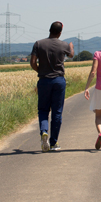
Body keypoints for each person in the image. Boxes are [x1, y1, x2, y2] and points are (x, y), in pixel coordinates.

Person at [30, 21, 73, 152]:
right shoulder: (64, 44)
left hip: (44, 81)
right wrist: (71, 46)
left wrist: (41, 71)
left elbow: (32, 62)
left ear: (49, 30)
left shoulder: (38, 44)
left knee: (43, 110)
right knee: (57, 112)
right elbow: (71, 55)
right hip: (59, 81)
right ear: (60, 33)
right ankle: (54, 142)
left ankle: (44, 132)